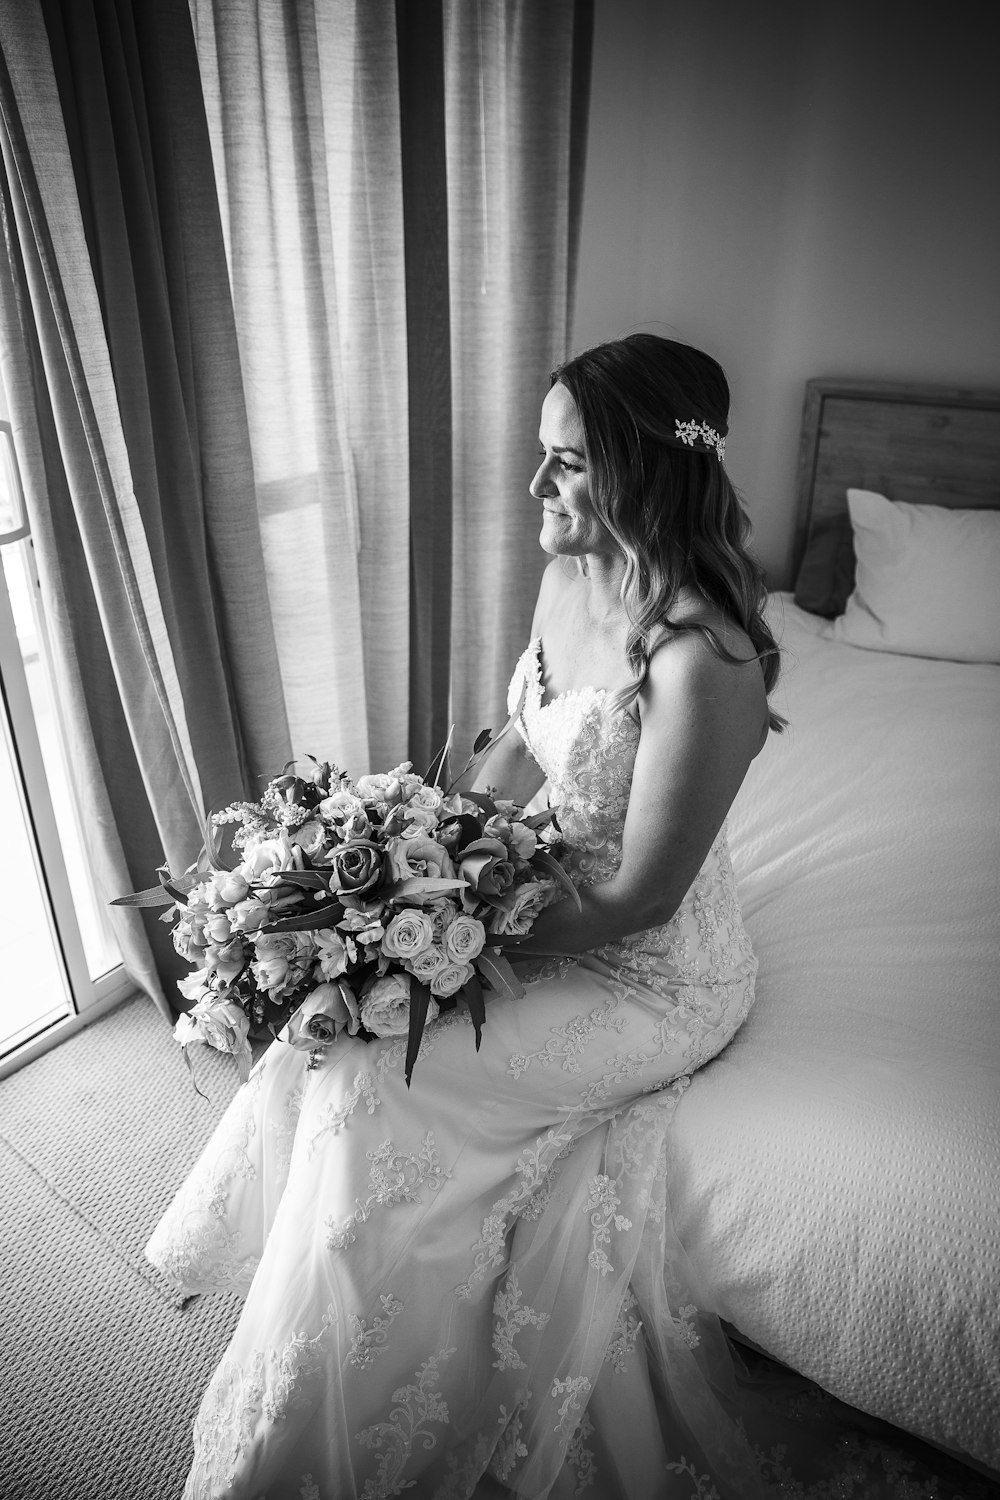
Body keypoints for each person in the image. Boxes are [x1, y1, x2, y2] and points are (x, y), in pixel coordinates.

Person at [147, 333, 783, 1500]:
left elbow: (639, 895)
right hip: (543, 901)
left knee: (382, 1073)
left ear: (649, 469)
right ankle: (319, 1311)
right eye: (542, 458)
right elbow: (521, 762)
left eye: (570, 465)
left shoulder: (706, 661)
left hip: (656, 975)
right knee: (336, 1025)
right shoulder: (563, 575)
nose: (537, 488)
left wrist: (430, 927)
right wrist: (410, 847)